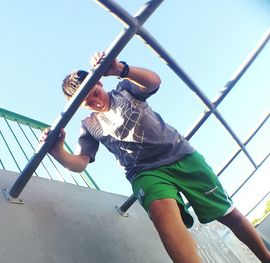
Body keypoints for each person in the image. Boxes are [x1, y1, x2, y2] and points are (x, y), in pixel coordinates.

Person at [41, 51, 270, 263]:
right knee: (161, 212)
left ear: (100, 83)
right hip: (144, 172)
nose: (96, 102)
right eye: (88, 102)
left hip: (180, 155)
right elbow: (81, 163)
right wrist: (58, 151)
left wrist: (121, 69)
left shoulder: (124, 90)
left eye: (95, 93)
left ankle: (265, 256)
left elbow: (154, 81)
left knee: (228, 214)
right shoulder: (89, 125)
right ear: (80, 106)